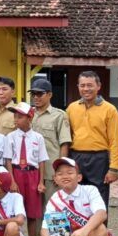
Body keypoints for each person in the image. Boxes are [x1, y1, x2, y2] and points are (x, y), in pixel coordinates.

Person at [66, 71, 118, 213]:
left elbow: (115, 140)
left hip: (99, 159)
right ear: (78, 87)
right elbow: (67, 137)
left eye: (90, 85)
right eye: (82, 85)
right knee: (75, 196)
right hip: (76, 157)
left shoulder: (109, 110)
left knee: (99, 198)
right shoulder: (72, 108)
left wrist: (114, 168)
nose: (86, 89)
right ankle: (79, 233)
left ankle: (99, 234)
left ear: (98, 86)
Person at [6, 102, 48, 236]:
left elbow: (41, 161)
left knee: (32, 209)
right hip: (17, 173)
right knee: (15, 208)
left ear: (29, 118)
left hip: (32, 174)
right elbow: (9, 161)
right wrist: (12, 181)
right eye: (15, 116)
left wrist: (41, 182)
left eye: (20, 117)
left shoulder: (38, 138)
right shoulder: (10, 137)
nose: (16, 119)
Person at [29, 78, 72, 206]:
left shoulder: (59, 115)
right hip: (31, 170)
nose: (36, 97)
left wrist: (59, 171)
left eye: (40, 94)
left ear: (50, 95)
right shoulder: (28, 114)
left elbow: (64, 143)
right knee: (34, 212)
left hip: (50, 171)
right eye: (33, 94)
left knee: (53, 208)